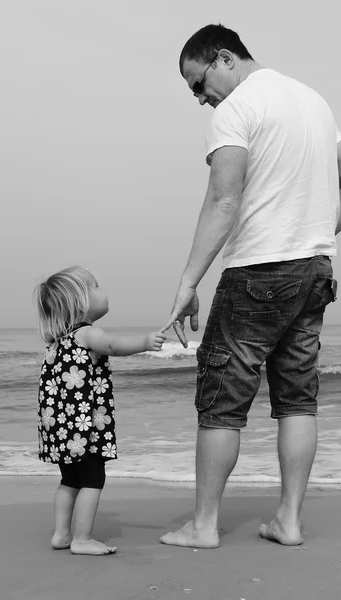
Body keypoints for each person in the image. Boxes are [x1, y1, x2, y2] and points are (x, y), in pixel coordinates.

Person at [160, 24, 341, 549]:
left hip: (261, 269)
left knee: (220, 399)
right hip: (316, 269)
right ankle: (288, 520)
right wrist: (317, 233)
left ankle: (203, 525)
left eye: (198, 84)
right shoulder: (315, 101)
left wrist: (188, 282)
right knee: (298, 400)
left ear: (222, 59)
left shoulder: (237, 108)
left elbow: (223, 200)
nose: (200, 99)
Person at [34, 266, 166, 555]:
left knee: (69, 479)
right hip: (83, 429)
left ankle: (62, 534)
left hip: (59, 428)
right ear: (81, 302)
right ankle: (81, 539)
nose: (103, 290)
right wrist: (144, 343)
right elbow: (112, 346)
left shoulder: (58, 341)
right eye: (96, 286)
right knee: (93, 479)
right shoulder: (86, 333)